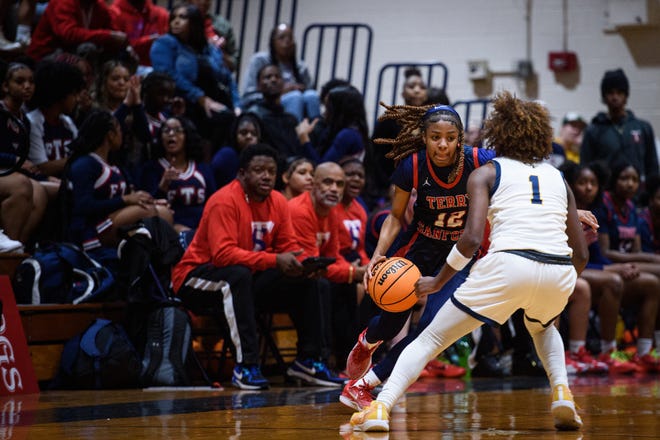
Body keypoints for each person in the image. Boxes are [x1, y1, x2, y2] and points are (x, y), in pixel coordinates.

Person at [350, 91, 589, 432]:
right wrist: (562, 283)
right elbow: (581, 254)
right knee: (543, 326)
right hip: (557, 269)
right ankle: (563, 393)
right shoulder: (559, 178)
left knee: (430, 339)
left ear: (497, 133)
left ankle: (379, 408)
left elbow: (473, 239)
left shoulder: (486, 170)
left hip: (505, 265)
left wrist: (438, 281)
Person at [340, 102, 494, 409]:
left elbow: (521, 176)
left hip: (459, 255)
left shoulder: (478, 160)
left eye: (451, 137)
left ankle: (362, 386)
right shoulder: (412, 165)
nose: (443, 144)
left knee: (432, 327)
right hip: (420, 247)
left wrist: (569, 209)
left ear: (460, 138)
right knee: (392, 323)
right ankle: (368, 341)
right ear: (424, 137)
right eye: (435, 137)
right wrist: (378, 256)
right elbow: (395, 217)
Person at [171, 143, 344, 390]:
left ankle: (310, 361)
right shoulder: (224, 201)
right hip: (196, 277)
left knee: (314, 282)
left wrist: (299, 265)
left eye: (271, 171)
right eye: (258, 170)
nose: (266, 176)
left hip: (246, 278)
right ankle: (246, 366)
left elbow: (288, 246)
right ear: (242, 173)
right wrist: (275, 260)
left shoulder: (279, 202)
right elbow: (222, 256)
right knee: (237, 276)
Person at [560, 160, 647, 374]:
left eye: (593, 183)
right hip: (563, 266)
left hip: (582, 267)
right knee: (610, 282)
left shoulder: (595, 211)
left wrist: (617, 267)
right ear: (571, 184)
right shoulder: (561, 209)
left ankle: (629, 351)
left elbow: (597, 256)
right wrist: (615, 269)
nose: (588, 187)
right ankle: (579, 351)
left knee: (641, 281)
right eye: (582, 182)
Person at [288, 161, 367, 371]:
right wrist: (352, 272)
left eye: (339, 184)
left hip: (309, 274)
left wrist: (357, 272)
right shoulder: (299, 210)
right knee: (322, 284)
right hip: (284, 276)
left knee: (348, 286)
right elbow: (311, 264)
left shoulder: (331, 211)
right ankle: (316, 360)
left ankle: (347, 362)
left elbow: (332, 257)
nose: (334, 189)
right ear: (313, 184)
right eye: (328, 182)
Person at [62, 109, 173, 253]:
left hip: (113, 219)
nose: (123, 134)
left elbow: (131, 197)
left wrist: (150, 200)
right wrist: (124, 200)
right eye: (120, 129)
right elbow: (83, 206)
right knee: (147, 212)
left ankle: (162, 265)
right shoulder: (85, 164)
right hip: (90, 229)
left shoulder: (115, 165)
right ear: (110, 135)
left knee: (164, 213)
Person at [150, 3, 238, 147]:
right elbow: (167, 75)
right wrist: (201, 98)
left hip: (212, 100)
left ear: (194, 22)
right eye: (173, 18)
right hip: (181, 101)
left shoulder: (207, 48)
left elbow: (227, 77)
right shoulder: (164, 43)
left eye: (182, 17)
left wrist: (238, 105)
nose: (176, 21)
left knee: (234, 119)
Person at [581, 68, 658, 185]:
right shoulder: (593, 130)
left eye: (619, 92)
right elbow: (586, 166)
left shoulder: (643, 128)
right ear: (604, 97)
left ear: (626, 95)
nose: (615, 97)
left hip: (637, 195)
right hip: (606, 196)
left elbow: (652, 166)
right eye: (610, 93)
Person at [140, 116, 215, 232]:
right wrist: (163, 186)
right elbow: (147, 209)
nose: (171, 134)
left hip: (204, 227)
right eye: (166, 130)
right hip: (170, 230)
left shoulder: (202, 168)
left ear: (187, 136)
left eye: (177, 130)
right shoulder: (152, 169)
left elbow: (213, 201)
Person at [0, 62, 47, 250]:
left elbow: (26, 162)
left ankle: (18, 247)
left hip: (11, 171)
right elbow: (19, 161)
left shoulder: (24, 119)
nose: (27, 86)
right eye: (20, 81)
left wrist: (43, 176)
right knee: (22, 185)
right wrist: (15, 162)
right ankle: (5, 252)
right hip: (8, 170)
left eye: (31, 82)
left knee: (41, 193)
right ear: (5, 86)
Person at [241, 23, 320, 122]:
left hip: (297, 103)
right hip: (265, 104)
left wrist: (300, 89)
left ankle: (316, 133)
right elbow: (248, 97)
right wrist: (282, 91)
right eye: (281, 38)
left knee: (311, 95)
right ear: (272, 42)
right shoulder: (260, 60)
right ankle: (292, 134)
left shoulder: (300, 66)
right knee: (295, 97)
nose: (287, 41)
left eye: (290, 38)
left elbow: (309, 88)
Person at [244, 63, 317, 168]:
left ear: (283, 83)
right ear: (258, 85)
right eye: (267, 77)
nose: (273, 80)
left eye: (277, 77)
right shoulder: (254, 116)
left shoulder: (291, 119)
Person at [27, 59, 85, 177]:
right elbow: (41, 168)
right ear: (60, 93)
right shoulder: (33, 122)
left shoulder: (67, 122)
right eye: (74, 94)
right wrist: (80, 158)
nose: (78, 99)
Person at [27, 0, 128, 61]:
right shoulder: (63, 2)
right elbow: (68, 34)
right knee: (88, 48)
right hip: (46, 56)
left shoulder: (98, 7)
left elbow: (114, 33)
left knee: (124, 54)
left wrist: (122, 42)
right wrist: (108, 36)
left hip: (69, 52)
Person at [310, 85, 368, 164]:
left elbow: (322, 166)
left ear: (339, 111)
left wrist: (304, 139)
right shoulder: (340, 129)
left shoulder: (348, 135)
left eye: (328, 108)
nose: (324, 113)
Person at [108, 0, 169, 66]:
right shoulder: (114, 12)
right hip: (124, 66)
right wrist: (148, 40)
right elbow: (119, 46)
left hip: (156, 66)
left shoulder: (162, 14)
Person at [211, 112, 262, 188]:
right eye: (243, 133)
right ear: (234, 135)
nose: (249, 136)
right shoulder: (226, 155)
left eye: (254, 134)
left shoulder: (262, 158)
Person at [189, 0, 238, 72]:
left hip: (214, 77)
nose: (203, 2)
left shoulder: (222, 24)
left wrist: (219, 52)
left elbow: (234, 63)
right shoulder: (178, 21)